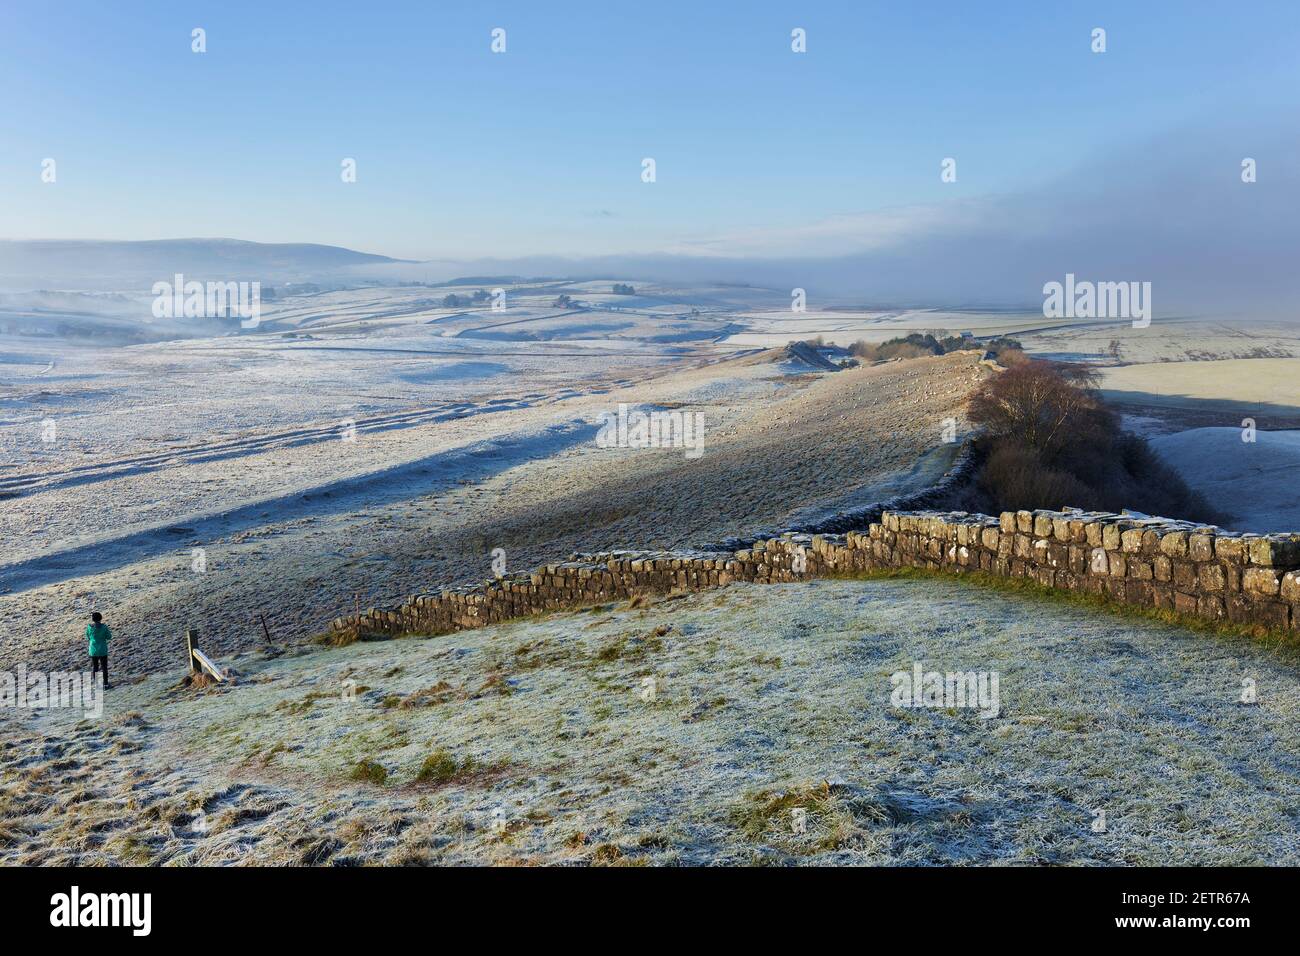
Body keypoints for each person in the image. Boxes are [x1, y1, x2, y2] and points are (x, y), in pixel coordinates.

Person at [86, 611, 111, 689]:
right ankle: (106, 684)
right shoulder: (104, 627)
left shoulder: (89, 627)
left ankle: (97, 685)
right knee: (104, 667)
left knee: (95, 667)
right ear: (101, 618)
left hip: (93, 650)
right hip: (102, 650)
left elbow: (88, 637)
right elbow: (109, 637)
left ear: (92, 619)